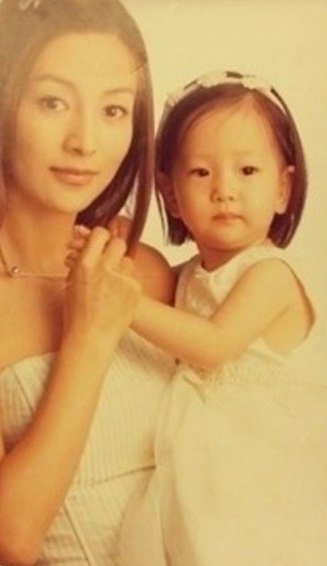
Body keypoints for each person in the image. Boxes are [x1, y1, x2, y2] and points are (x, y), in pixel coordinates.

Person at [0, 0, 176, 564]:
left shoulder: (144, 271)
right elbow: (11, 538)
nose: (85, 141)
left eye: (114, 110)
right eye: (53, 102)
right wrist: (89, 335)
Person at [70, 70, 327, 565]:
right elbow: (148, 297)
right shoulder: (187, 275)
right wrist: (107, 244)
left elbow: (212, 345)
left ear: (283, 188)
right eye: (201, 173)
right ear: (170, 194)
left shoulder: (271, 275)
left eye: (247, 171)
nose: (224, 190)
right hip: (199, 480)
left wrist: (122, 300)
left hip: (264, 478)